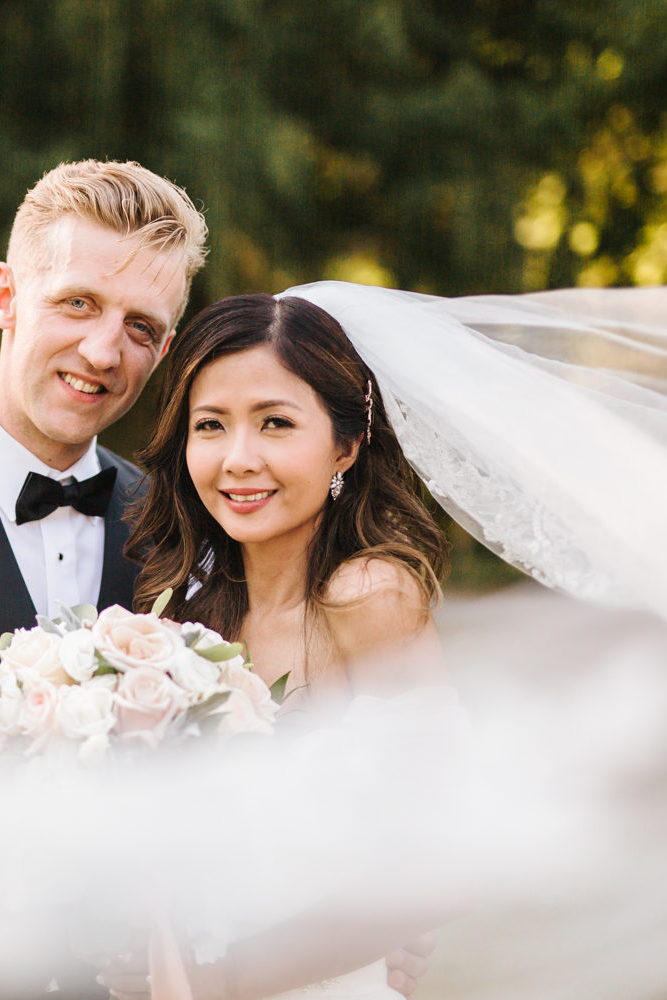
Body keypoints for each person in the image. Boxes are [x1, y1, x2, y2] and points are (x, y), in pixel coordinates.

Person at [0, 161, 436, 999]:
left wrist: (353, 933)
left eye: (144, 327)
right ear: (5, 296)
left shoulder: (193, 534)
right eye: (77, 303)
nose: (105, 350)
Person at [112, 293, 458, 999]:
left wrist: (225, 981)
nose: (239, 459)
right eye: (211, 425)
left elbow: (449, 848)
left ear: (346, 444)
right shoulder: (181, 614)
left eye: (275, 423)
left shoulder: (367, 598)